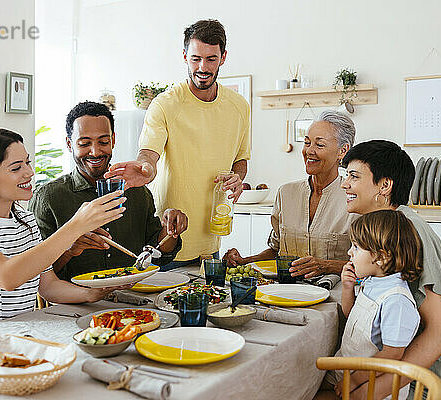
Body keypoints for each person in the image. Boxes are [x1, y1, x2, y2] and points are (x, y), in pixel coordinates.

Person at [0, 128, 127, 339]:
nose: (29, 173)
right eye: (16, 168)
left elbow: (48, 285)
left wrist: (95, 293)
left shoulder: (25, 220)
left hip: (13, 340)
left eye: (27, 163)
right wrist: (76, 226)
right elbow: (7, 277)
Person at [104, 19, 250, 270]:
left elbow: (241, 160)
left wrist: (237, 177)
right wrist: (145, 168)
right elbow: (149, 153)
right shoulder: (166, 104)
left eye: (211, 59)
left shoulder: (239, 107)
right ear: (184, 56)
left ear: (223, 57)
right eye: (195, 59)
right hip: (168, 242)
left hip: (211, 244)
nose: (202, 67)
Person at [340, 140, 441, 399]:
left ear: (384, 185)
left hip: (435, 382)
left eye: (354, 177)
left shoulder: (410, 230)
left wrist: (365, 392)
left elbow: (439, 335)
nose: (345, 184)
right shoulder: (383, 229)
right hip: (409, 375)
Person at [28, 101, 188, 281]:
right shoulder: (48, 197)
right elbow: (33, 271)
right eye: (84, 143)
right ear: (69, 144)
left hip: (132, 300)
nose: (95, 152)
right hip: (73, 303)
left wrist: (169, 230)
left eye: (103, 142)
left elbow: (158, 254)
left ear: (113, 140)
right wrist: (69, 249)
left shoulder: (137, 192)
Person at [223, 111, 357, 281]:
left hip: (332, 297)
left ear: (342, 151)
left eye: (319, 145)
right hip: (284, 292)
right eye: (307, 143)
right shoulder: (286, 193)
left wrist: (325, 265)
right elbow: (276, 251)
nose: (309, 151)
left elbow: (368, 264)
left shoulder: (354, 198)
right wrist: (244, 261)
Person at [314, 210, 422, 400]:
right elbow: (351, 315)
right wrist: (347, 287)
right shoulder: (373, 281)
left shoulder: (397, 301)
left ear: (382, 257)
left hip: (368, 383)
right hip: (347, 368)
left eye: (356, 247)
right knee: (304, 385)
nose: (349, 252)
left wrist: (354, 382)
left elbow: (392, 354)